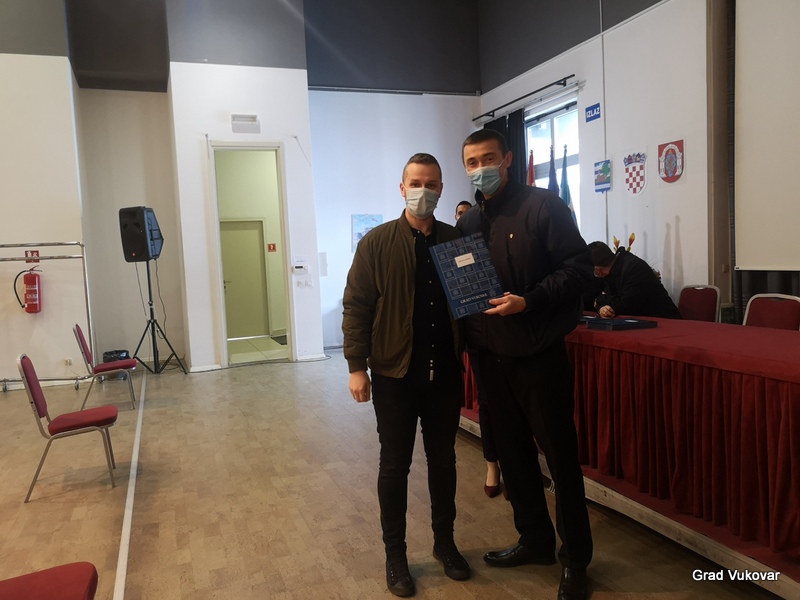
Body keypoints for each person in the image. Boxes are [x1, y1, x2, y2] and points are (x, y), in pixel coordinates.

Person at [456, 129, 594, 600]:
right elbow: (464, 288)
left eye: (488, 158)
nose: (481, 168)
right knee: (514, 458)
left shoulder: (544, 206)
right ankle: (535, 540)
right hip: (489, 359)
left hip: (539, 357)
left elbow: (579, 270)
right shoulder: (468, 222)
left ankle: (576, 560)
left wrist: (529, 300)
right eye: (472, 162)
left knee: (560, 460)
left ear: (508, 159)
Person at [342, 153, 470, 597]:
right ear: (402, 188)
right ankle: (395, 555)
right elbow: (356, 307)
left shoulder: (456, 240)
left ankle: (445, 543)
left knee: (444, 463)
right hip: (394, 375)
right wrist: (356, 367)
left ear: (441, 189)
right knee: (395, 466)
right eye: (416, 183)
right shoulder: (375, 243)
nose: (423, 191)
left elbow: (472, 302)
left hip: (444, 374)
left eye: (431, 184)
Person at [454, 199, 504, 499]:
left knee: (513, 406)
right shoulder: (461, 235)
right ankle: (492, 465)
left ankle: (514, 467)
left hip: (512, 331)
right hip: (478, 334)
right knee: (487, 402)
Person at [588, 241, 682, 319]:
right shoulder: (611, 272)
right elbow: (608, 300)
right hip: (639, 322)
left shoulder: (634, 268)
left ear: (597, 270)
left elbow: (626, 307)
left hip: (665, 322)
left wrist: (600, 299)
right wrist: (602, 309)